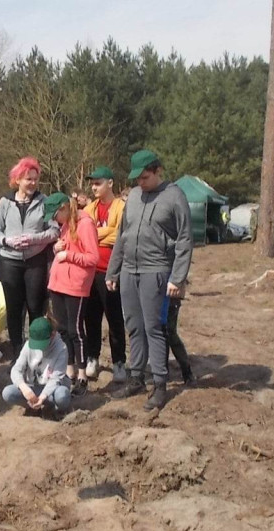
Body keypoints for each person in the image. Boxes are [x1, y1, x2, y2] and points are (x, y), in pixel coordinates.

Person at [106, 150, 193, 411]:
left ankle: (160, 383)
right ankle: (136, 378)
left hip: (156, 270)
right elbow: (123, 235)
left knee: (154, 327)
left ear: (157, 171)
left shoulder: (175, 196)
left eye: (145, 177)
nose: (140, 183)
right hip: (129, 271)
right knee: (133, 325)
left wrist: (177, 277)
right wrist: (113, 271)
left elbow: (185, 239)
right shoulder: (133, 196)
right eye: (137, 179)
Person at [0, 157, 60, 358]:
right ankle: (17, 351)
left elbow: (54, 231)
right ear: (17, 179)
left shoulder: (44, 202)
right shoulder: (5, 202)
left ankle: (37, 350)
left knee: (36, 307)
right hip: (9, 261)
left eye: (35, 179)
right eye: (28, 179)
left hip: (35, 261)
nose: (32, 183)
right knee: (13, 309)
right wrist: (7, 241)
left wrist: (34, 239)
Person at [44, 192, 99, 396]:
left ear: (64, 208)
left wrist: (69, 255)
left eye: (55, 215)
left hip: (75, 285)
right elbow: (64, 248)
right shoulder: (66, 224)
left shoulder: (85, 224)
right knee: (62, 330)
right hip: (58, 283)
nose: (54, 220)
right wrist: (57, 248)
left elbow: (92, 257)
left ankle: (83, 375)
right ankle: (69, 370)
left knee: (76, 331)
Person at [82, 166, 127, 383]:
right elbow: (83, 236)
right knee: (91, 318)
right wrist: (105, 232)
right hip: (90, 271)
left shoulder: (121, 207)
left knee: (115, 318)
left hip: (112, 270)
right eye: (92, 183)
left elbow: (120, 236)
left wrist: (97, 235)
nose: (94, 187)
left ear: (110, 183)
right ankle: (92, 357)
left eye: (98, 183)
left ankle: (119, 361)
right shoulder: (89, 209)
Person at [0, 317, 72, 418]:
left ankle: (56, 411)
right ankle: (32, 407)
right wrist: (24, 388)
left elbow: (56, 378)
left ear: (52, 335)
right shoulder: (28, 345)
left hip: (52, 391)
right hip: (33, 387)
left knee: (62, 395)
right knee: (8, 393)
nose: (38, 347)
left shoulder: (61, 349)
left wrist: (42, 397)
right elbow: (16, 369)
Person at [166, 284, 194, 383]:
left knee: (170, 333)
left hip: (171, 295)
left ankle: (186, 371)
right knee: (159, 334)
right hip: (153, 295)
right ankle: (163, 373)